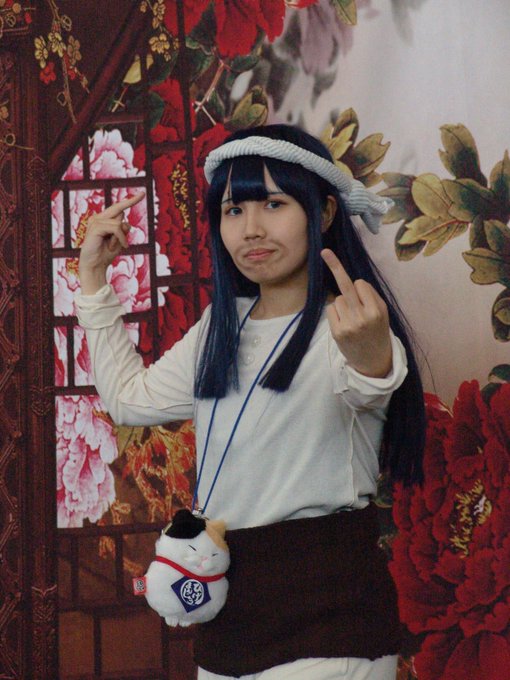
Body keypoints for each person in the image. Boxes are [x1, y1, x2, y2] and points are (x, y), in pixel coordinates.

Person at [76, 124, 426, 680]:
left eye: (274, 204)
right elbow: (128, 401)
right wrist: (93, 279)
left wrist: (373, 355)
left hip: (331, 618)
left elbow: (373, 381)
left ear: (324, 212)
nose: (251, 228)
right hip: (230, 620)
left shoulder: (349, 327)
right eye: (234, 210)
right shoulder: (220, 326)